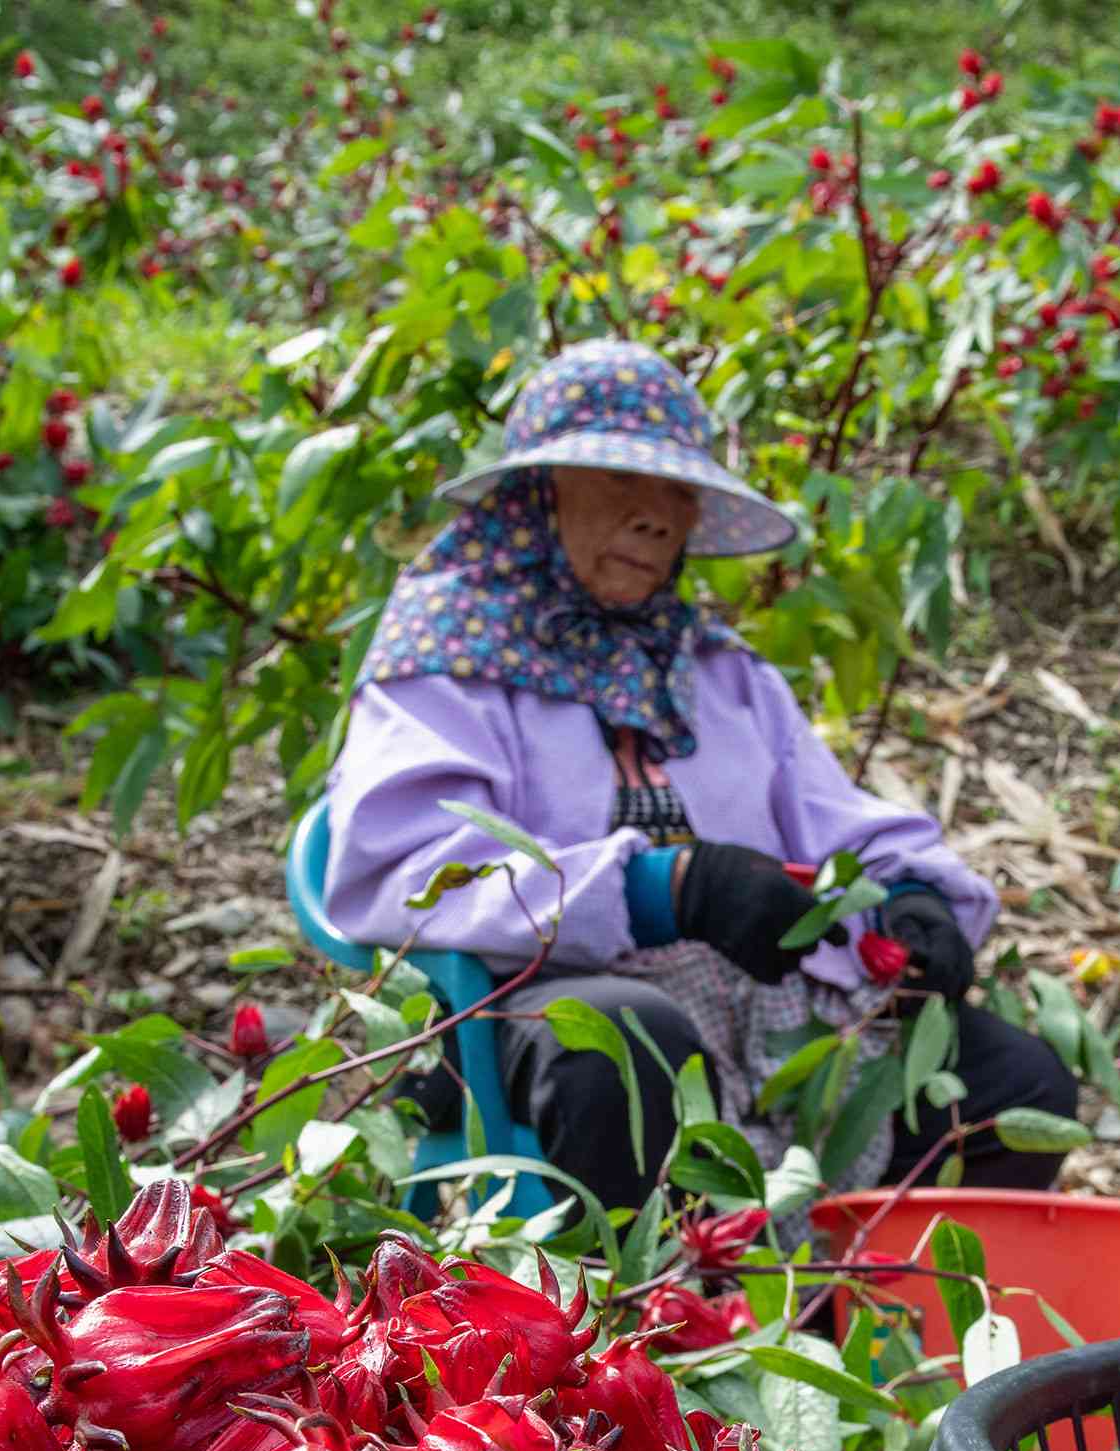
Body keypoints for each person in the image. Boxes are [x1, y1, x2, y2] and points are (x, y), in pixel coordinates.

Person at [320, 341, 1078, 1215]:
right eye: (619, 482)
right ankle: (649, 1323)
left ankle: (853, 1315)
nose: (656, 519)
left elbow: (835, 818)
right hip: (532, 1002)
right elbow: (401, 870)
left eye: (679, 493)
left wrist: (915, 897)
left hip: (768, 1014)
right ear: (540, 493)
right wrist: (657, 889)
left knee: (1017, 1081)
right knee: (627, 1042)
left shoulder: (715, 670)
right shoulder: (443, 664)